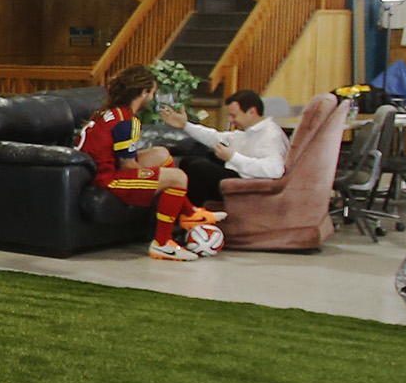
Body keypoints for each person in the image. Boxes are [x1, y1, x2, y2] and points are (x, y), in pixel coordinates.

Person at [80, 65, 220, 260]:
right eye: (153, 92)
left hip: (100, 170)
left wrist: (153, 174)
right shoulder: (126, 122)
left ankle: (188, 212)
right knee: (177, 177)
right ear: (144, 92)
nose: (153, 98)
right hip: (107, 180)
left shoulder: (111, 113)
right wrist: (154, 177)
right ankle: (162, 243)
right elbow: (127, 165)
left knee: (160, 154)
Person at [172, 88, 291, 180]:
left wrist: (233, 157)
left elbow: (275, 169)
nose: (230, 120)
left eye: (234, 116)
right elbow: (215, 137)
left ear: (252, 112)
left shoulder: (271, 135)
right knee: (188, 161)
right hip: (237, 172)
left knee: (197, 167)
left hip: (249, 181)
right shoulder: (247, 131)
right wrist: (185, 126)